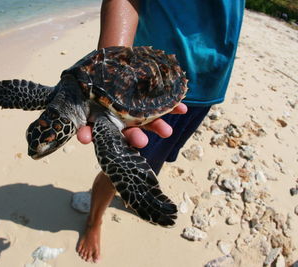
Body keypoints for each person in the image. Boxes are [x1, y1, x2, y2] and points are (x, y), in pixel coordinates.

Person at [75, 0, 245, 263]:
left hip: (209, 86)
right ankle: (93, 222)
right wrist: (107, 75)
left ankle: (137, 190)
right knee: (119, 166)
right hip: (151, 83)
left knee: (155, 158)